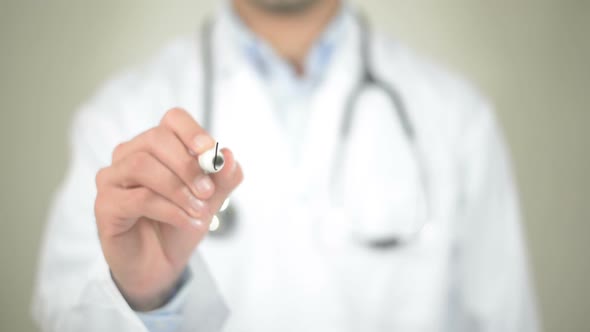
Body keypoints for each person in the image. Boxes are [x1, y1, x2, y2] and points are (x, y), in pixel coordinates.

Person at [32, 0, 540, 331]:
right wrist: (149, 299)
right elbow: (63, 318)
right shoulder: (119, 117)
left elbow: (506, 319)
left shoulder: (457, 117)